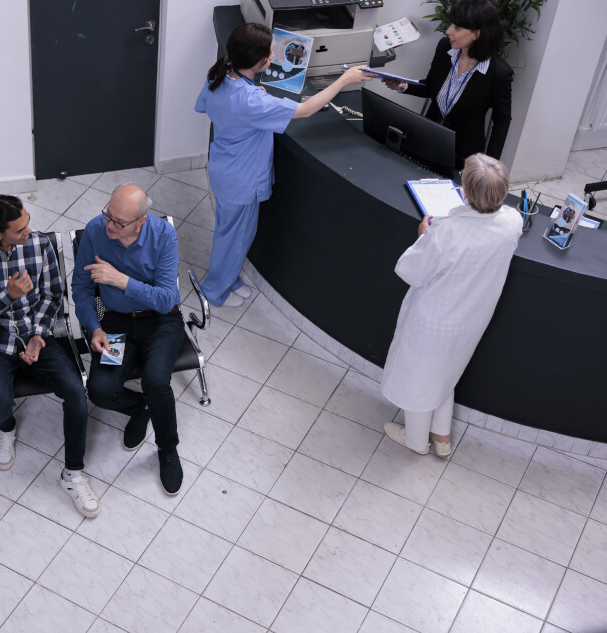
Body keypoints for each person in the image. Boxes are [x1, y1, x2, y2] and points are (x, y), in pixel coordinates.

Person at [196, 23, 374, 307]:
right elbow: (304, 110)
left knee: (232, 234)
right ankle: (214, 291)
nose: (272, 56)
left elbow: (210, 106)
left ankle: (228, 280)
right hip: (240, 180)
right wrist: (343, 80)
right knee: (233, 238)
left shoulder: (220, 77)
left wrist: (255, 97)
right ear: (259, 61)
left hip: (226, 169)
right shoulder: (250, 100)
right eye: (269, 53)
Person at [0, 195, 100, 518]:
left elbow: (53, 295)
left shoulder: (39, 244)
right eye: (20, 229)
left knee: (77, 392)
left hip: (36, 334)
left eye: (28, 222)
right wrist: (7, 296)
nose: (29, 231)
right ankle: (6, 429)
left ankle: (73, 474)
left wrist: (38, 334)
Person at [381, 154, 522, 457]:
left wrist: (423, 236)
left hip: (433, 323)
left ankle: (416, 442)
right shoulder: (512, 223)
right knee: (447, 373)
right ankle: (441, 438)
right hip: (472, 321)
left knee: (419, 381)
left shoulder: (446, 232)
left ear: (466, 191)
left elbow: (410, 271)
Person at [72, 183, 185, 495]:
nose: (110, 225)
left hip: (161, 321)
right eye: (109, 215)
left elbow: (166, 299)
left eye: (119, 222)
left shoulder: (163, 235)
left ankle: (166, 448)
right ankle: (141, 408)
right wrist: (94, 327)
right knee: (100, 389)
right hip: (117, 324)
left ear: (141, 222)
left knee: (157, 380)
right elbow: (81, 288)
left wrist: (121, 281)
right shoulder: (96, 230)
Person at [383, 0, 512, 169]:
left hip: (463, 155)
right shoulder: (445, 48)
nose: (448, 31)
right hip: (428, 137)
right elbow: (430, 86)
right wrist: (403, 86)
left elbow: (502, 121)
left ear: (477, 34)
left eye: (457, 27)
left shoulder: (499, 72)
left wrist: (490, 165)